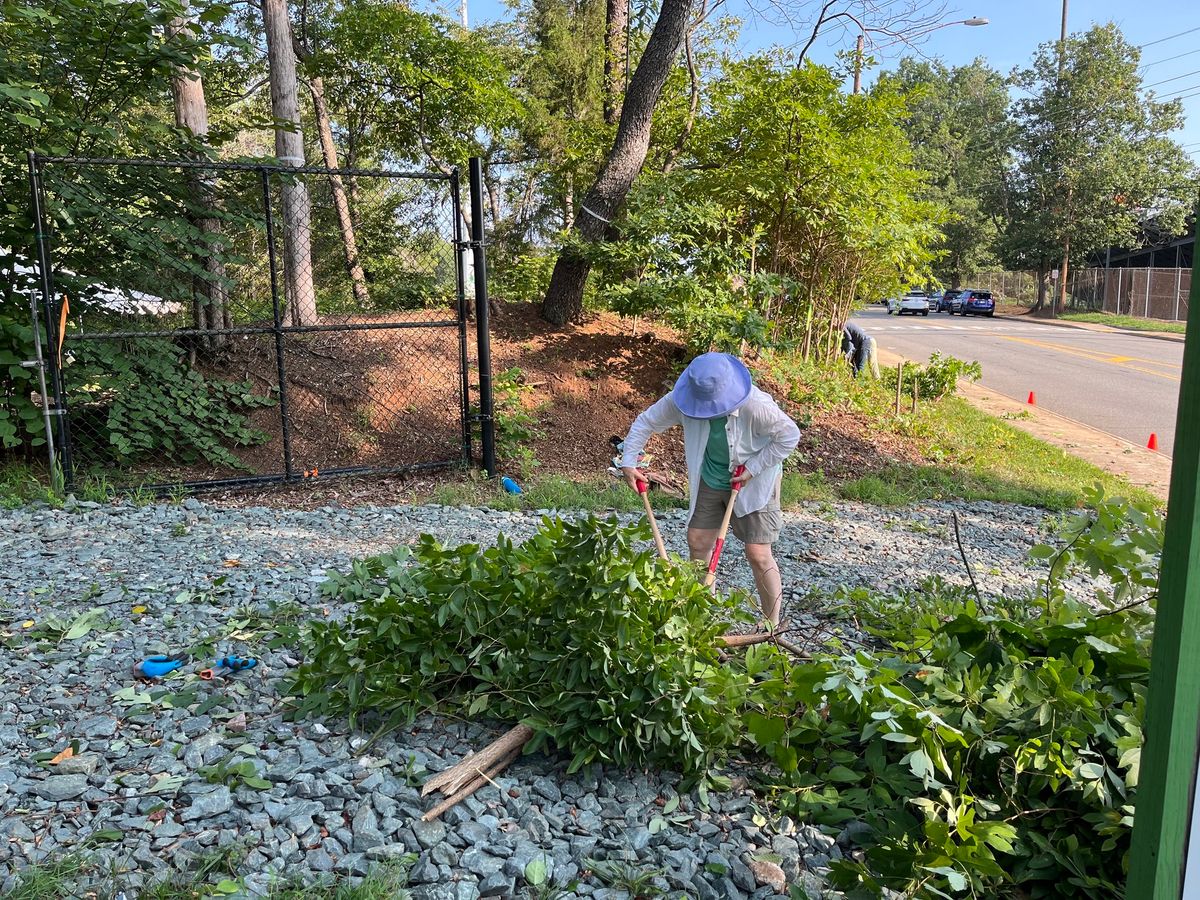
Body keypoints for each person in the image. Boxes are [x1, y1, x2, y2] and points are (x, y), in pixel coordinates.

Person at [620, 352, 800, 628]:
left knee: (758, 553)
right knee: (699, 543)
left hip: (755, 481)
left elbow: (789, 435)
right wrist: (629, 462)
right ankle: (705, 622)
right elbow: (646, 422)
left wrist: (753, 467)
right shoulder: (683, 402)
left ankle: (771, 627)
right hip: (711, 477)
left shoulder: (756, 405)